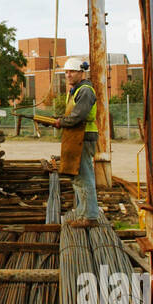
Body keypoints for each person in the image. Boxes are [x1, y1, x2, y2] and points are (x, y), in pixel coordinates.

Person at [56, 57, 100, 222]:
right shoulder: (76, 90)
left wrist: (61, 122)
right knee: (77, 176)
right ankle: (83, 213)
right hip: (76, 136)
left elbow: (77, 116)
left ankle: (89, 215)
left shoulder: (85, 91)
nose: (68, 75)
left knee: (84, 176)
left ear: (82, 72)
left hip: (83, 136)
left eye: (72, 72)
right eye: (66, 72)